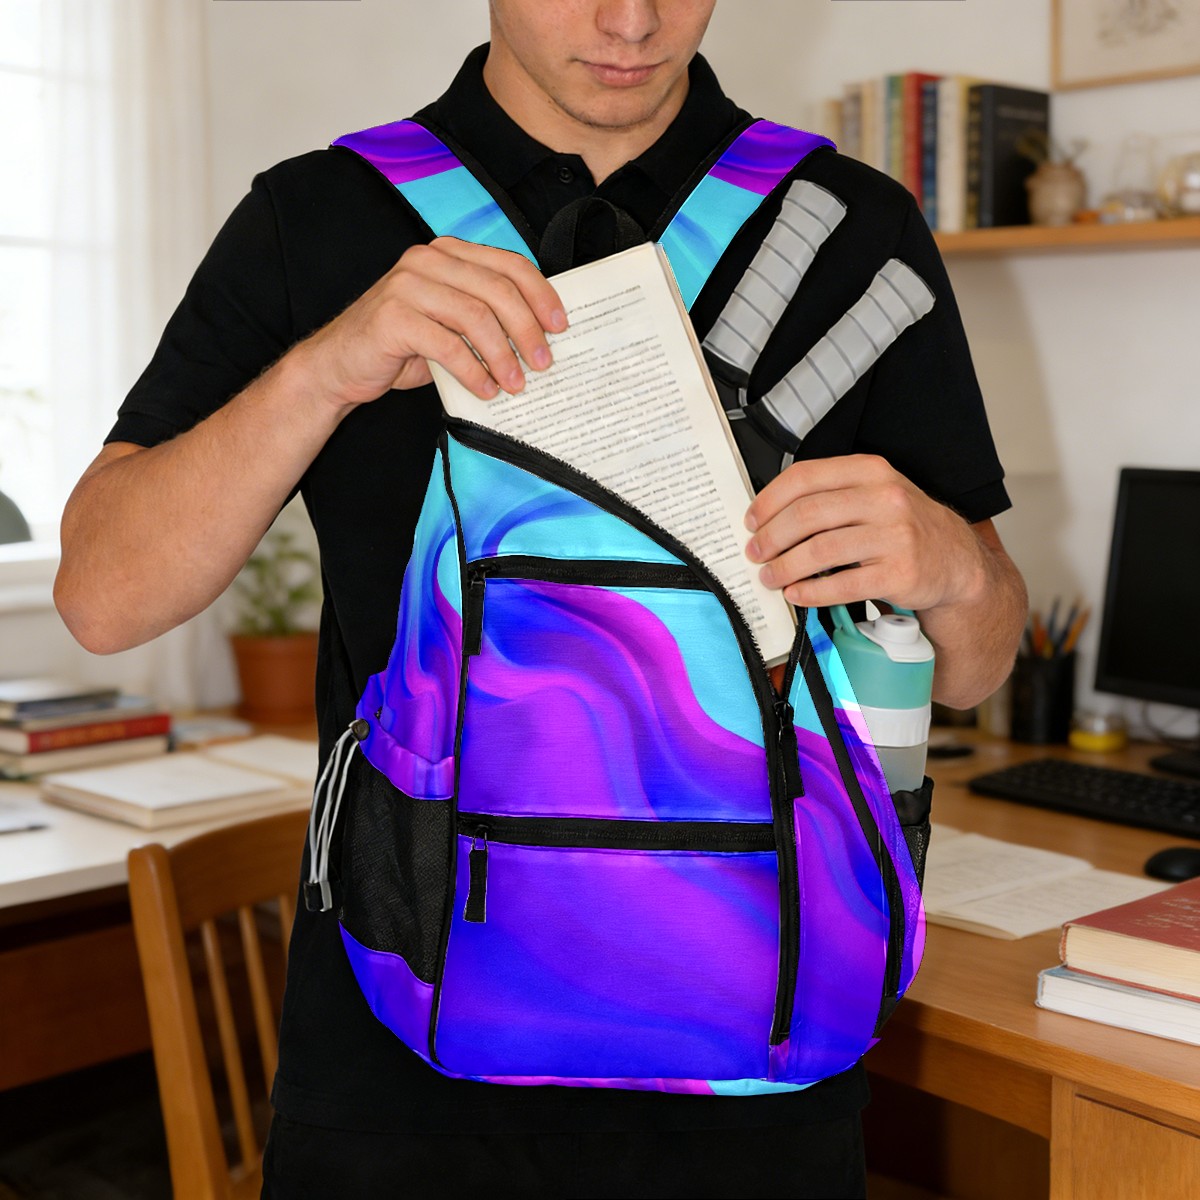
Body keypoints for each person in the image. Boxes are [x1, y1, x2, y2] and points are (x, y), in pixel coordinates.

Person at [55, 2, 1027, 1195]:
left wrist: (956, 566)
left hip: (763, 1078)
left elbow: (980, 663)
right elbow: (103, 598)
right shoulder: (318, 217)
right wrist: (324, 371)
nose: (631, 19)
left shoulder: (850, 229)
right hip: (400, 1094)